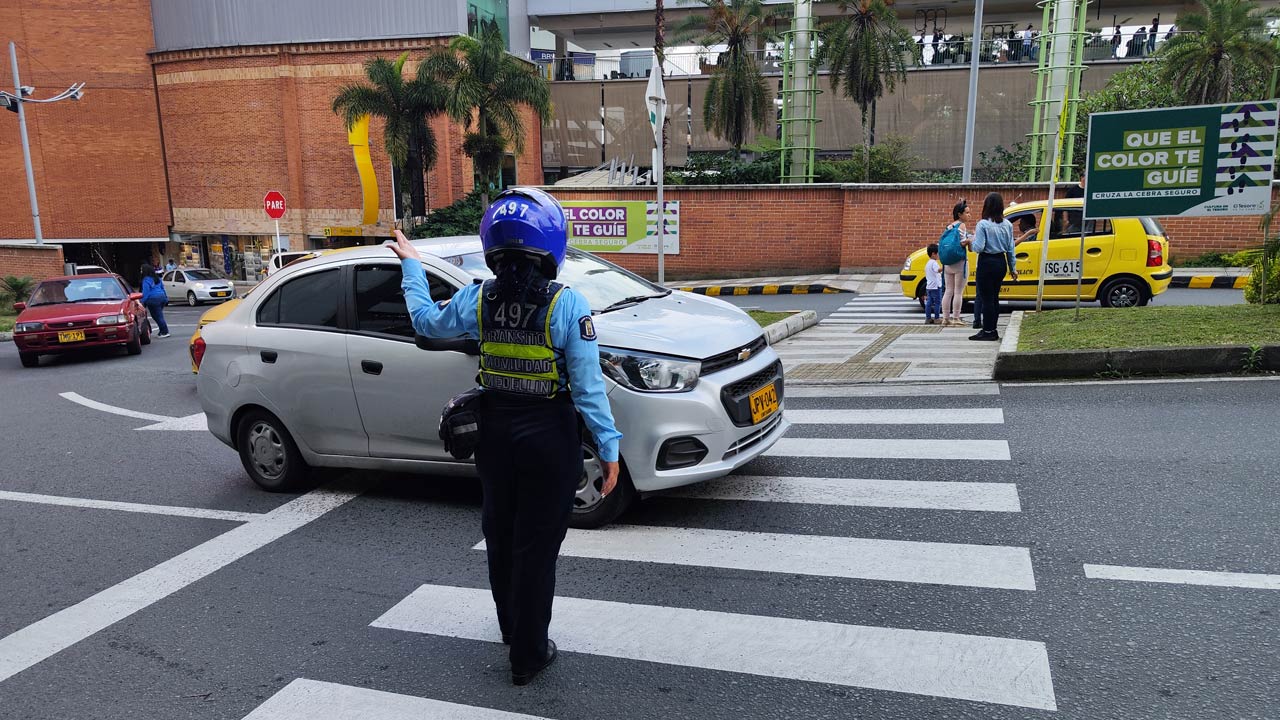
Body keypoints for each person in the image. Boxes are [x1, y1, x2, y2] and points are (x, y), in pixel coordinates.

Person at [388, 187, 622, 687]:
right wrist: (608, 450)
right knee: (537, 546)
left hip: (495, 434)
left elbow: (426, 321)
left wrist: (413, 264)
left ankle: (510, 629)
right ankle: (529, 656)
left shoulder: (478, 298)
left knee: (501, 534)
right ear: (551, 245)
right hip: (549, 439)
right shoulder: (567, 304)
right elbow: (587, 388)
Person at [968, 192, 1018, 341]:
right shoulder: (1007, 224)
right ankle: (992, 329)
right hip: (1000, 262)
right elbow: (1010, 248)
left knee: (986, 298)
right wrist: (1012, 267)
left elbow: (979, 247)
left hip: (987, 262)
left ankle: (988, 330)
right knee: (994, 297)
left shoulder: (983, 224)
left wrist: (971, 241)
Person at [942, 199, 971, 328]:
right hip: (959, 262)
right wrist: (970, 240)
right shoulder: (962, 226)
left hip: (947, 263)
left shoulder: (949, 226)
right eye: (967, 212)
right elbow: (962, 242)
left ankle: (945, 318)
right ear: (960, 214)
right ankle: (956, 318)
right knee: (958, 291)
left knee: (948, 291)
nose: (969, 215)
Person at [139, 263, 170, 338]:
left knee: (157, 316)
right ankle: (162, 330)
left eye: (141, 270)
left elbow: (145, 292)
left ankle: (164, 332)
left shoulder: (146, 280)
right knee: (159, 315)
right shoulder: (157, 279)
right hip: (162, 297)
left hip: (153, 299)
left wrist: (142, 302)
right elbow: (162, 288)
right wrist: (166, 298)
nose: (140, 271)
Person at [924, 244, 942, 325]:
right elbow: (937, 270)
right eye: (938, 253)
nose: (938, 255)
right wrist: (945, 266)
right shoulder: (934, 263)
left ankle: (928, 318)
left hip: (929, 286)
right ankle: (937, 318)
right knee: (937, 303)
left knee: (929, 303)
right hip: (936, 286)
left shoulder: (927, 263)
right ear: (933, 254)